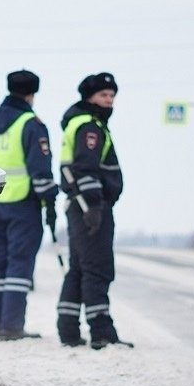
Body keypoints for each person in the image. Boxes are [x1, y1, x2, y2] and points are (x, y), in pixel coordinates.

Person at [0, 70, 59, 340]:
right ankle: (12, 327)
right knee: (19, 265)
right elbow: (40, 169)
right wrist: (50, 202)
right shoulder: (31, 124)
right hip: (24, 205)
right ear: (31, 94)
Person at [56, 72, 131, 349]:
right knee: (98, 269)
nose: (109, 101)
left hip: (80, 206)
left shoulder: (82, 122)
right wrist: (94, 207)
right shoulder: (89, 126)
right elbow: (85, 168)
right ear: (89, 97)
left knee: (79, 268)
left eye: (112, 96)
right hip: (91, 207)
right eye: (103, 95)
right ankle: (101, 332)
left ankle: (68, 330)